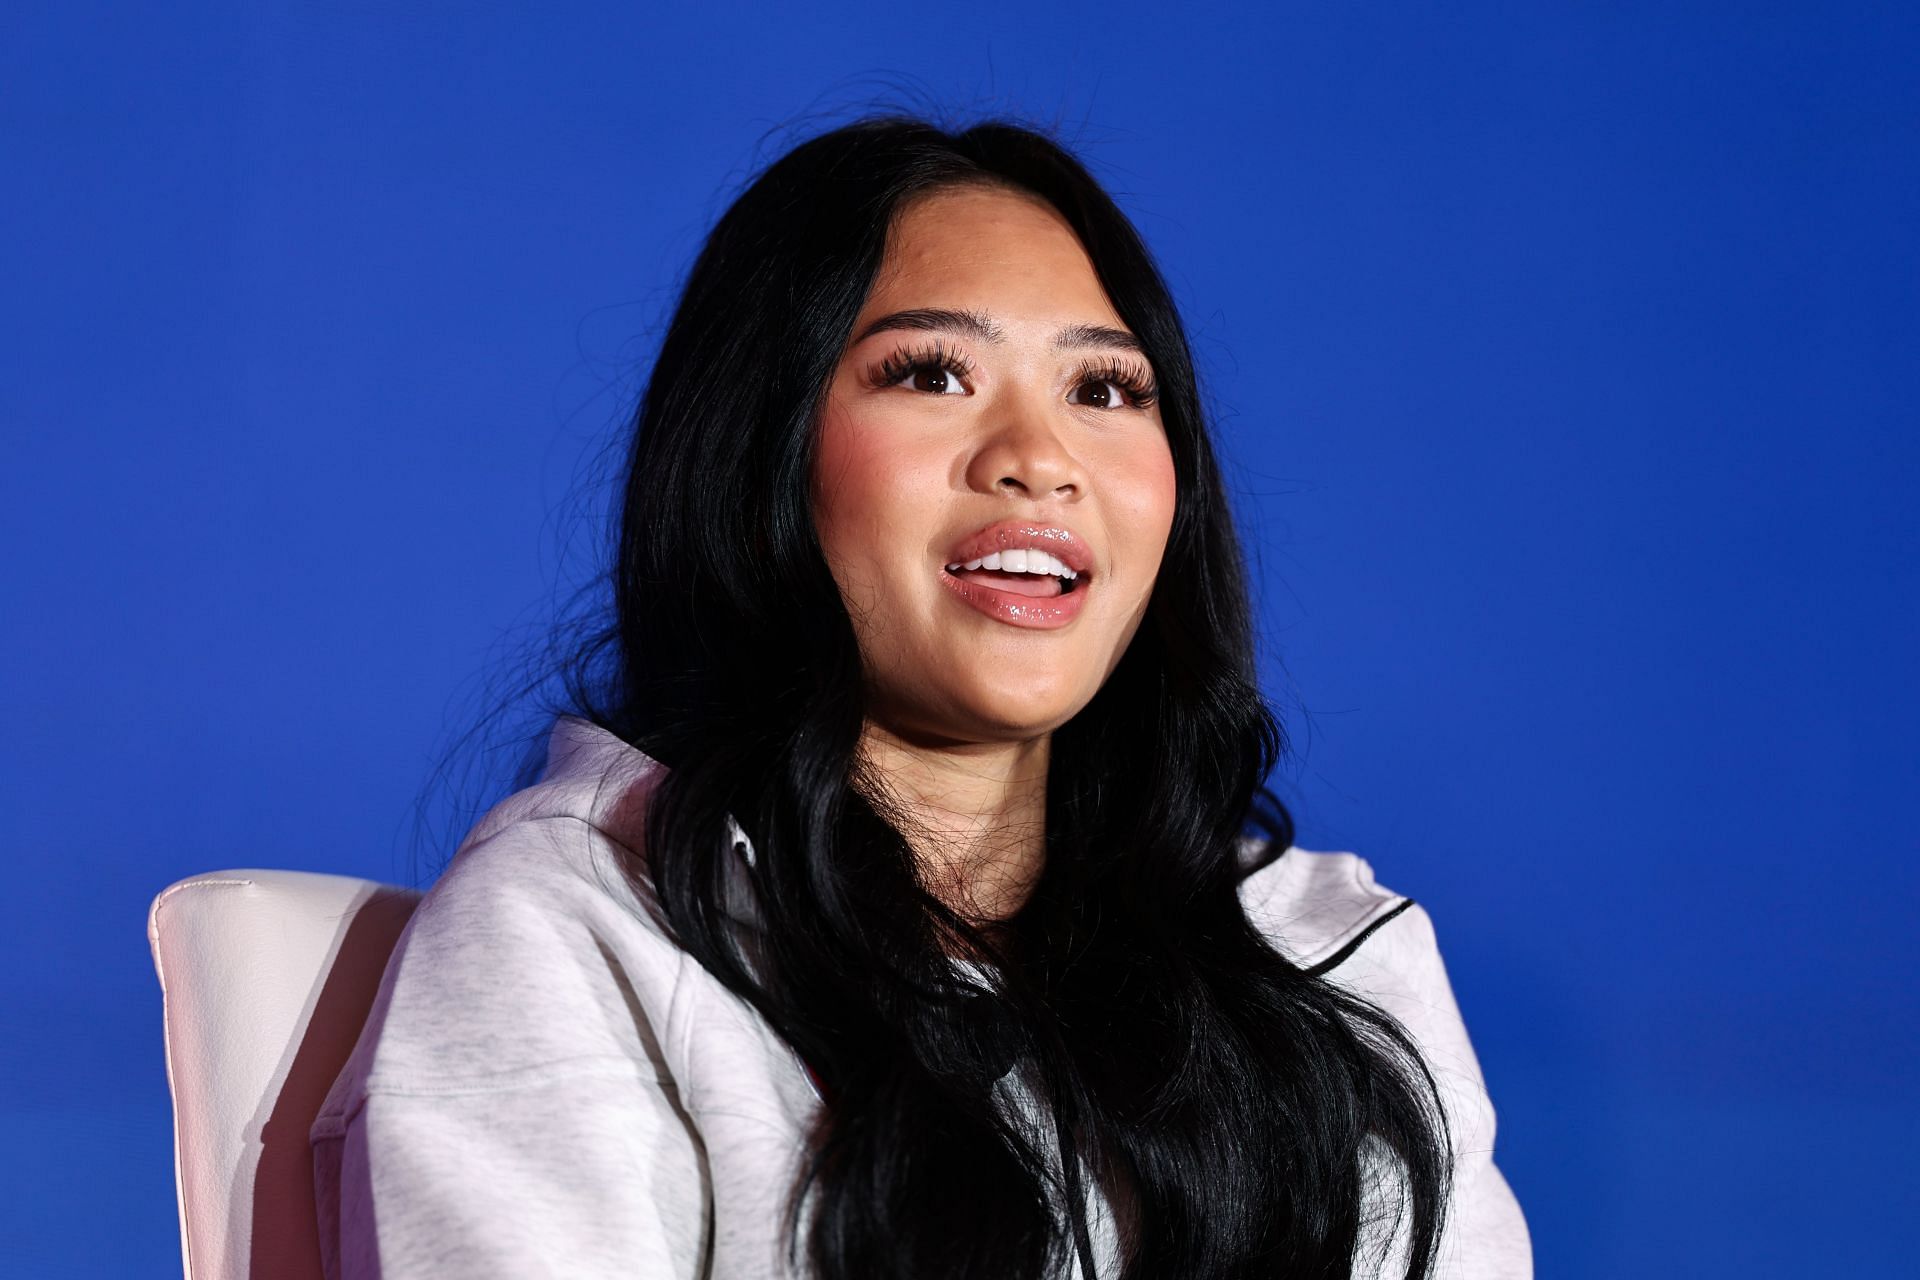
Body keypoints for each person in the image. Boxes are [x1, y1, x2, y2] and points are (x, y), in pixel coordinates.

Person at [310, 114, 1531, 1279]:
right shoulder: (580, 927)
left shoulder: (1332, 956)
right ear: (764, 450)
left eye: (1105, 390)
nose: (1038, 456)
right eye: (934, 372)